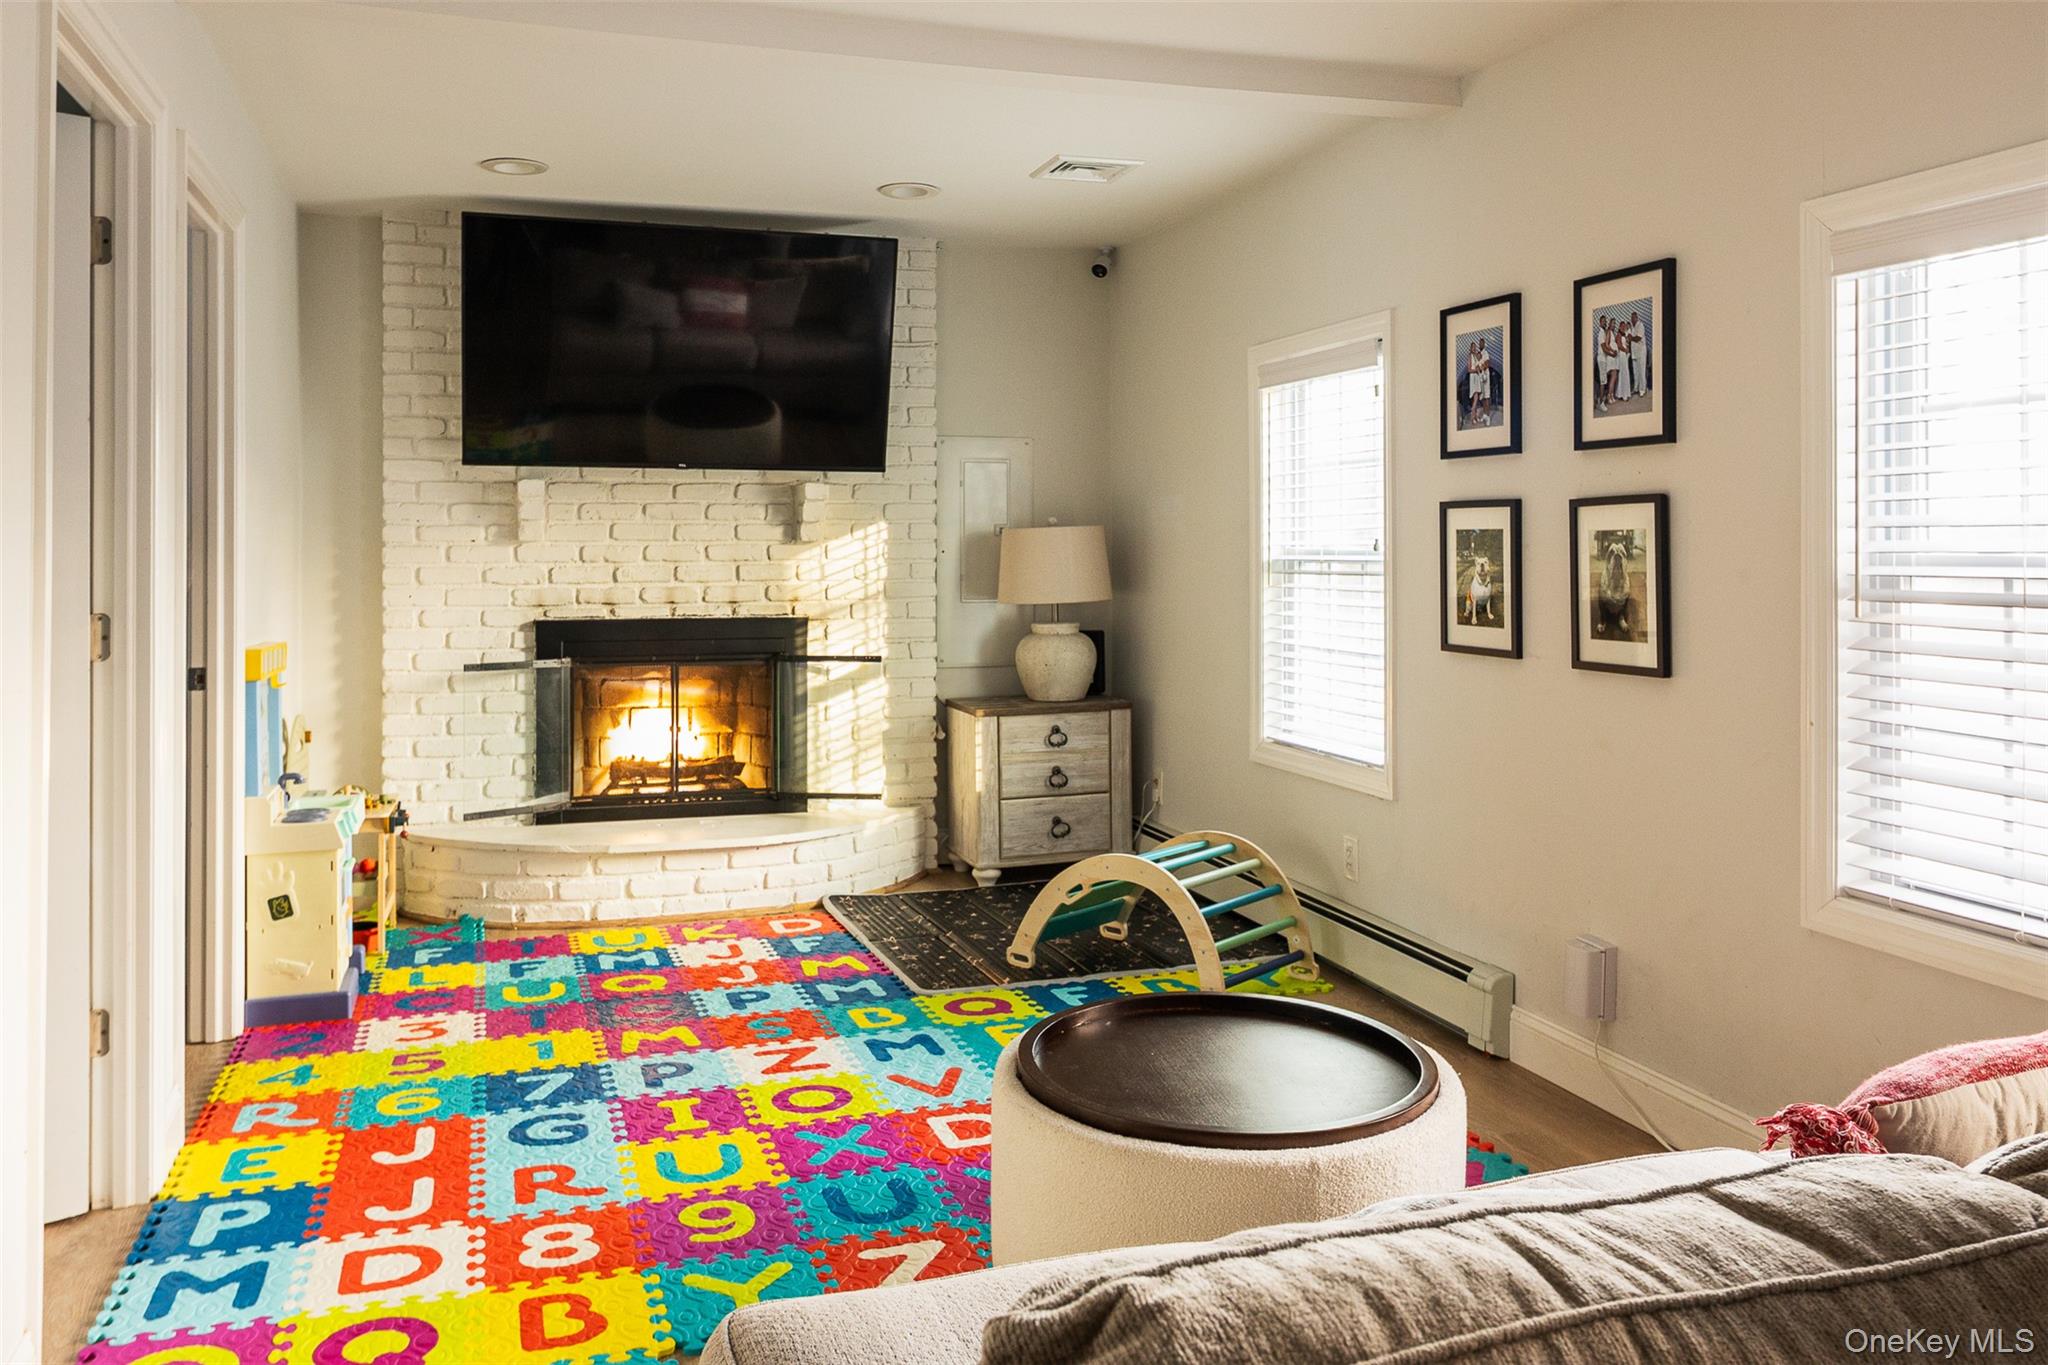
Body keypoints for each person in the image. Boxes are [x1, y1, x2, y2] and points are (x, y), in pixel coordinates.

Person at [1626, 311, 1647, 398]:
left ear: (1636, 318)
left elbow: (1638, 338)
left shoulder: (1640, 325)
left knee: (1641, 371)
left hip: (1641, 351)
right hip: (1634, 353)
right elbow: (1629, 339)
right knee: (1635, 371)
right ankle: (1636, 388)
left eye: (1633, 318)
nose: (1632, 319)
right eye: (1631, 318)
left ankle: (1642, 389)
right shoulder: (1632, 328)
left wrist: (1631, 338)